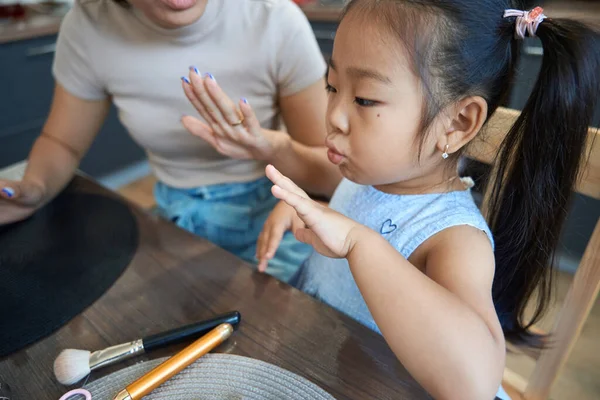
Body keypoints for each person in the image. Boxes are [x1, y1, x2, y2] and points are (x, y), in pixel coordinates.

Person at [246, 1, 597, 399]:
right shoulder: (371, 177)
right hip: (328, 366)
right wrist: (314, 214)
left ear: (456, 123)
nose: (334, 116)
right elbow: (357, 214)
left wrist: (360, 243)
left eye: (363, 99)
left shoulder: (452, 240)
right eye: (332, 86)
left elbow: (474, 383)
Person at [0, 0, 340, 282]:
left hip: (276, 222)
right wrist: (34, 188)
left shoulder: (273, 19)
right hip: (174, 220)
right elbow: (62, 142)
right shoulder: (90, 26)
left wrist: (272, 147)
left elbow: (331, 175)